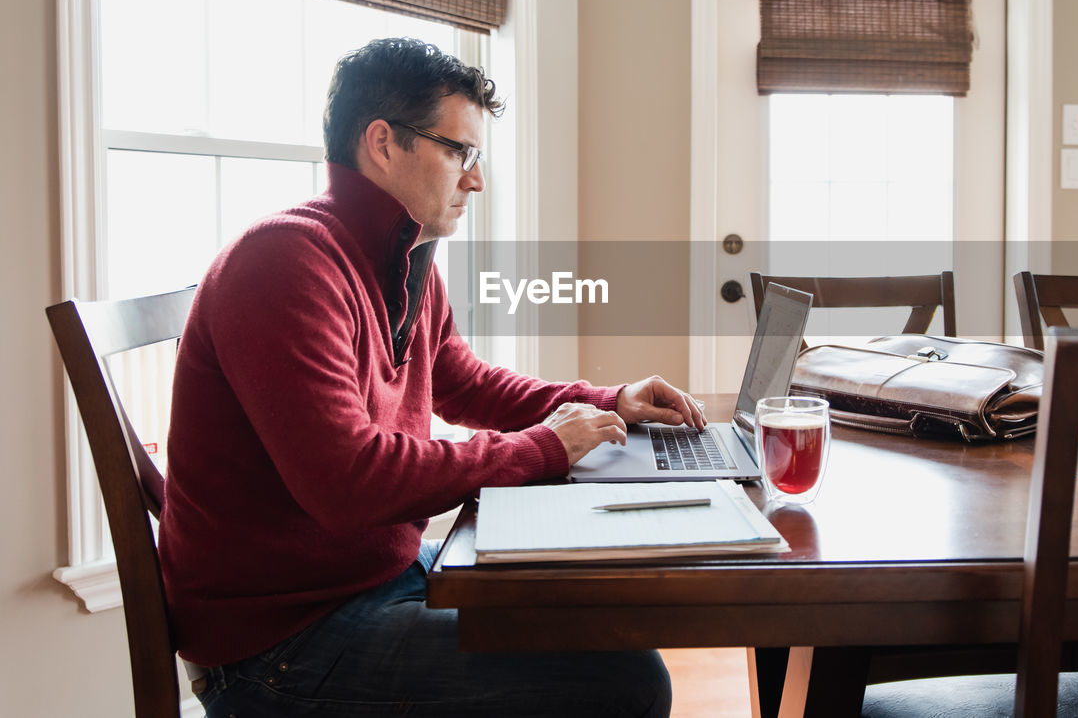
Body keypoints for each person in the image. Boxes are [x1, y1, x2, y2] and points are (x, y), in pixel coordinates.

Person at [159, 37, 705, 717]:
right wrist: (543, 446)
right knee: (625, 681)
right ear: (383, 144)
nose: (476, 180)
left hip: (377, 576)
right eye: (460, 153)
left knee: (590, 609)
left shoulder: (404, 257)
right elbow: (347, 481)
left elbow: (465, 383)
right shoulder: (285, 261)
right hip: (279, 645)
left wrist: (607, 400)